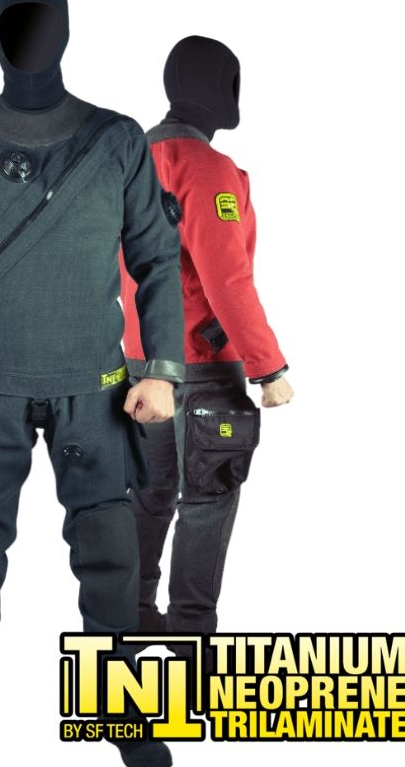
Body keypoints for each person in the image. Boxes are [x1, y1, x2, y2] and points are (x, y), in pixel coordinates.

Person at [0, 0, 184, 765]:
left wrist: (162, 369)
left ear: (67, 29)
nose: (30, 36)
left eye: (42, 20)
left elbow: (158, 260)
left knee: (111, 553)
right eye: (17, 21)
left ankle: (123, 711)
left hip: (97, 386)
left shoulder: (118, 140)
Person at [121, 35, 294, 650]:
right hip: (201, 366)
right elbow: (227, 280)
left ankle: (131, 623)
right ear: (222, 90)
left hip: (138, 363)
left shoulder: (128, 160)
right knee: (208, 497)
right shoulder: (206, 168)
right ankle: (190, 642)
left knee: (148, 494)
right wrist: (268, 367)